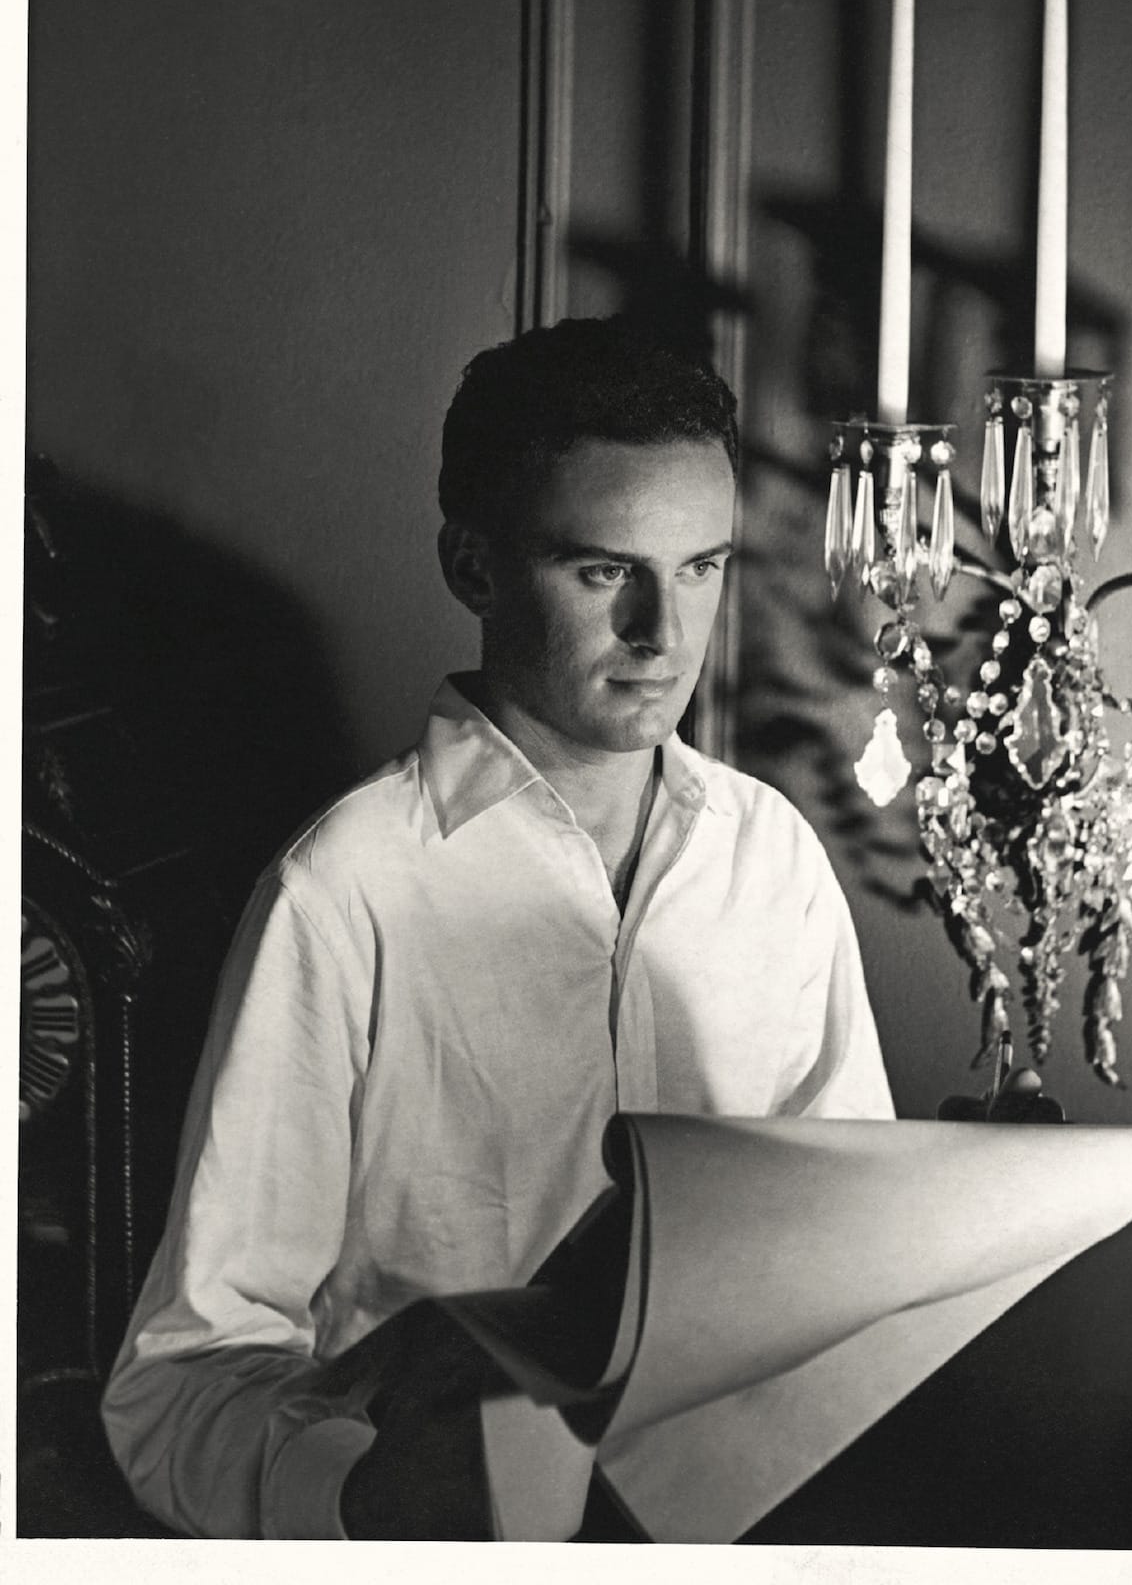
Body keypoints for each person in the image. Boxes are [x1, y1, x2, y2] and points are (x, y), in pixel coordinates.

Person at [101, 316, 895, 1540]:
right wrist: (360, 1496)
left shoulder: (771, 858)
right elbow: (181, 1381)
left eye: (699, 567)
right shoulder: (344, 890)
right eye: (603, 571)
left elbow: (861, 1260)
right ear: (472, 567)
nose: (664, 633)